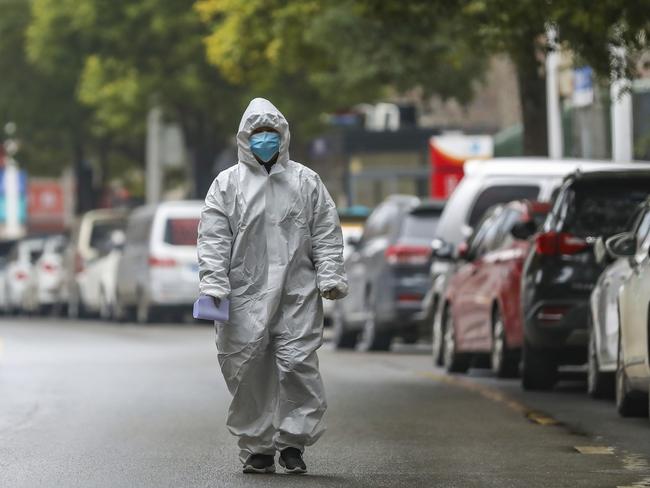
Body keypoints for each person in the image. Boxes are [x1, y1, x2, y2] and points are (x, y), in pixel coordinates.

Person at [197, 97, 348, 475]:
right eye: (258, 134)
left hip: (296, 293)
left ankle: (293, 443)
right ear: (245, 139)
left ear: (283, 136)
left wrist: (329, 275)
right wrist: (214, 282)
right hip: (245, 294)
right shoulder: (227, 185)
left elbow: (326, 233)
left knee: (297, 365)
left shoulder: (306, 181)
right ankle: (258, 447)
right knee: (247, 369)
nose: (265, 141)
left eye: (271, 134)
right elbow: (213, 238)